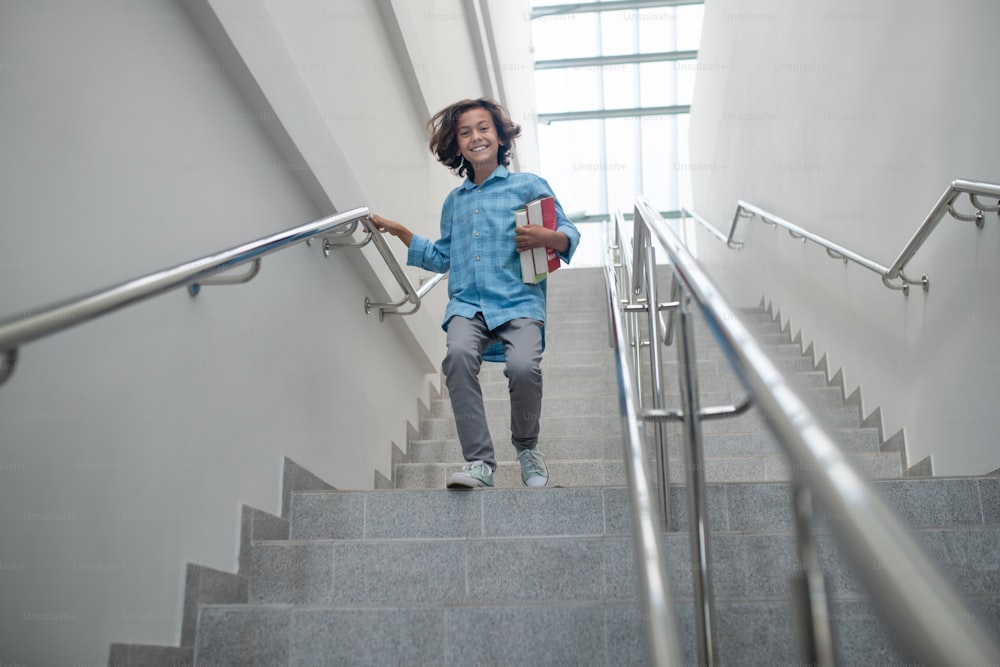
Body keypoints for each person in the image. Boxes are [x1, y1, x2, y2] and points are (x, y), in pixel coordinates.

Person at [371, 97, 580, 489]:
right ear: (457, 145)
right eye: (465, 132)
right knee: (458, 357)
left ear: (500, 137)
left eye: (484, 128)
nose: (475, 137)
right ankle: (480, 462)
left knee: (523, 368)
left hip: (520, 301)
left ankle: (527, 447)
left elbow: (569, 234)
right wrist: (401, 232)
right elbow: (441, 257)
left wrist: (546, 236)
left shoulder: (528, 185)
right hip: (468, 305)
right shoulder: (455, 202)